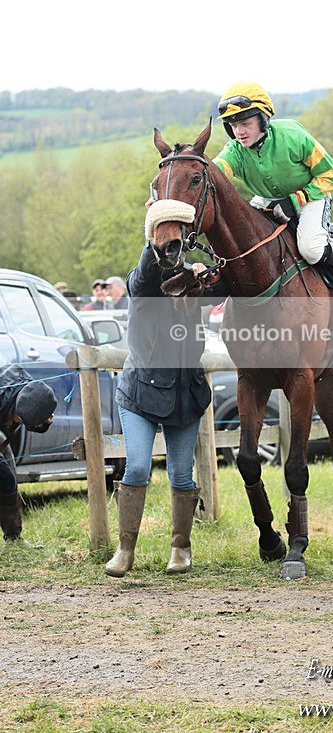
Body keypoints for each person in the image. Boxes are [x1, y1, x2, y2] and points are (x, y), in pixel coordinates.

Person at [213, 81, 333, 321]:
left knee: (311, 250)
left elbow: (331, 175)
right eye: (233, 125)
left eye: (245, 123)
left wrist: (295, 200)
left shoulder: (293, 136)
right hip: (267, 198)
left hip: (311, 194)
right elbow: (213, 176)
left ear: (263, 119)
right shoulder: (234, 150)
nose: (239, 132)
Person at [104, 243, 214, 578]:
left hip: (185, 393)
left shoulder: (193, 293)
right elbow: (143, 273)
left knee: (181, 474)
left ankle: (181, 548)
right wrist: (156, 242)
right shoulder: (143, 288)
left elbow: (228, 284)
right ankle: (125, 550)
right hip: (141, 392)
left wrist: (204, 275)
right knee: (137, 467)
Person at [0, 366, 57, 545]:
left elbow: (31, 418)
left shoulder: (30, 393)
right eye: (19, 419)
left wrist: (44, 423)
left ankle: (14, 538)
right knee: (4, 475)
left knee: (9, 476)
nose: (18, 422)